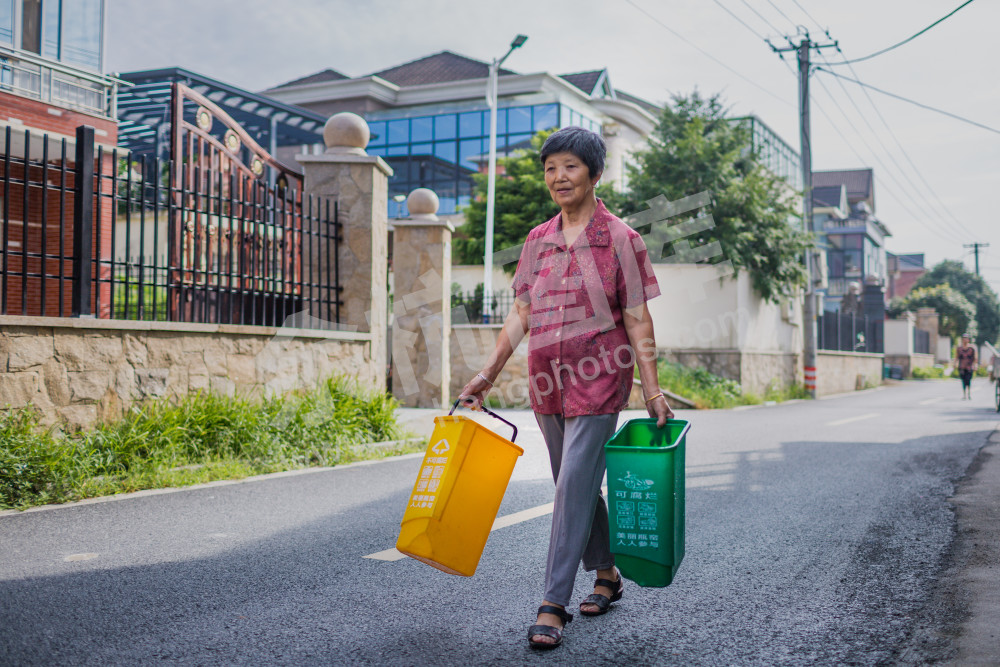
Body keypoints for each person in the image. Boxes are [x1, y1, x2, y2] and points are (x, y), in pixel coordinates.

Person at [458, 126, 672, 650]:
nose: (559, 176)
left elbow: (639, 320)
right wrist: (484, 376)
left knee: (572, 481)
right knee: (570, 481)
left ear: (595, 173)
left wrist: (653, 389)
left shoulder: (623, 239)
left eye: (571, 166)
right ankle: (607, 575)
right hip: (548, 378)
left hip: (601, 374)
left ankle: (552, 603)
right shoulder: (537, 239)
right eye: (551, 167)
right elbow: (522, 313)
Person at [955, 334, 977, 399]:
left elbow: (975, 358)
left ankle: (969, 393)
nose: (965, 340)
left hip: (969, 367)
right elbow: (957, 357)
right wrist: (955, 364)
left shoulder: (972, 348)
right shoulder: (959, 348)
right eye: (964, 338)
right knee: (963, 381)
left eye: (966, 338)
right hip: (961, 367)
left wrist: (975, 365)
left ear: (968, 340)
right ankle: (964, 394)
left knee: (968, 380)